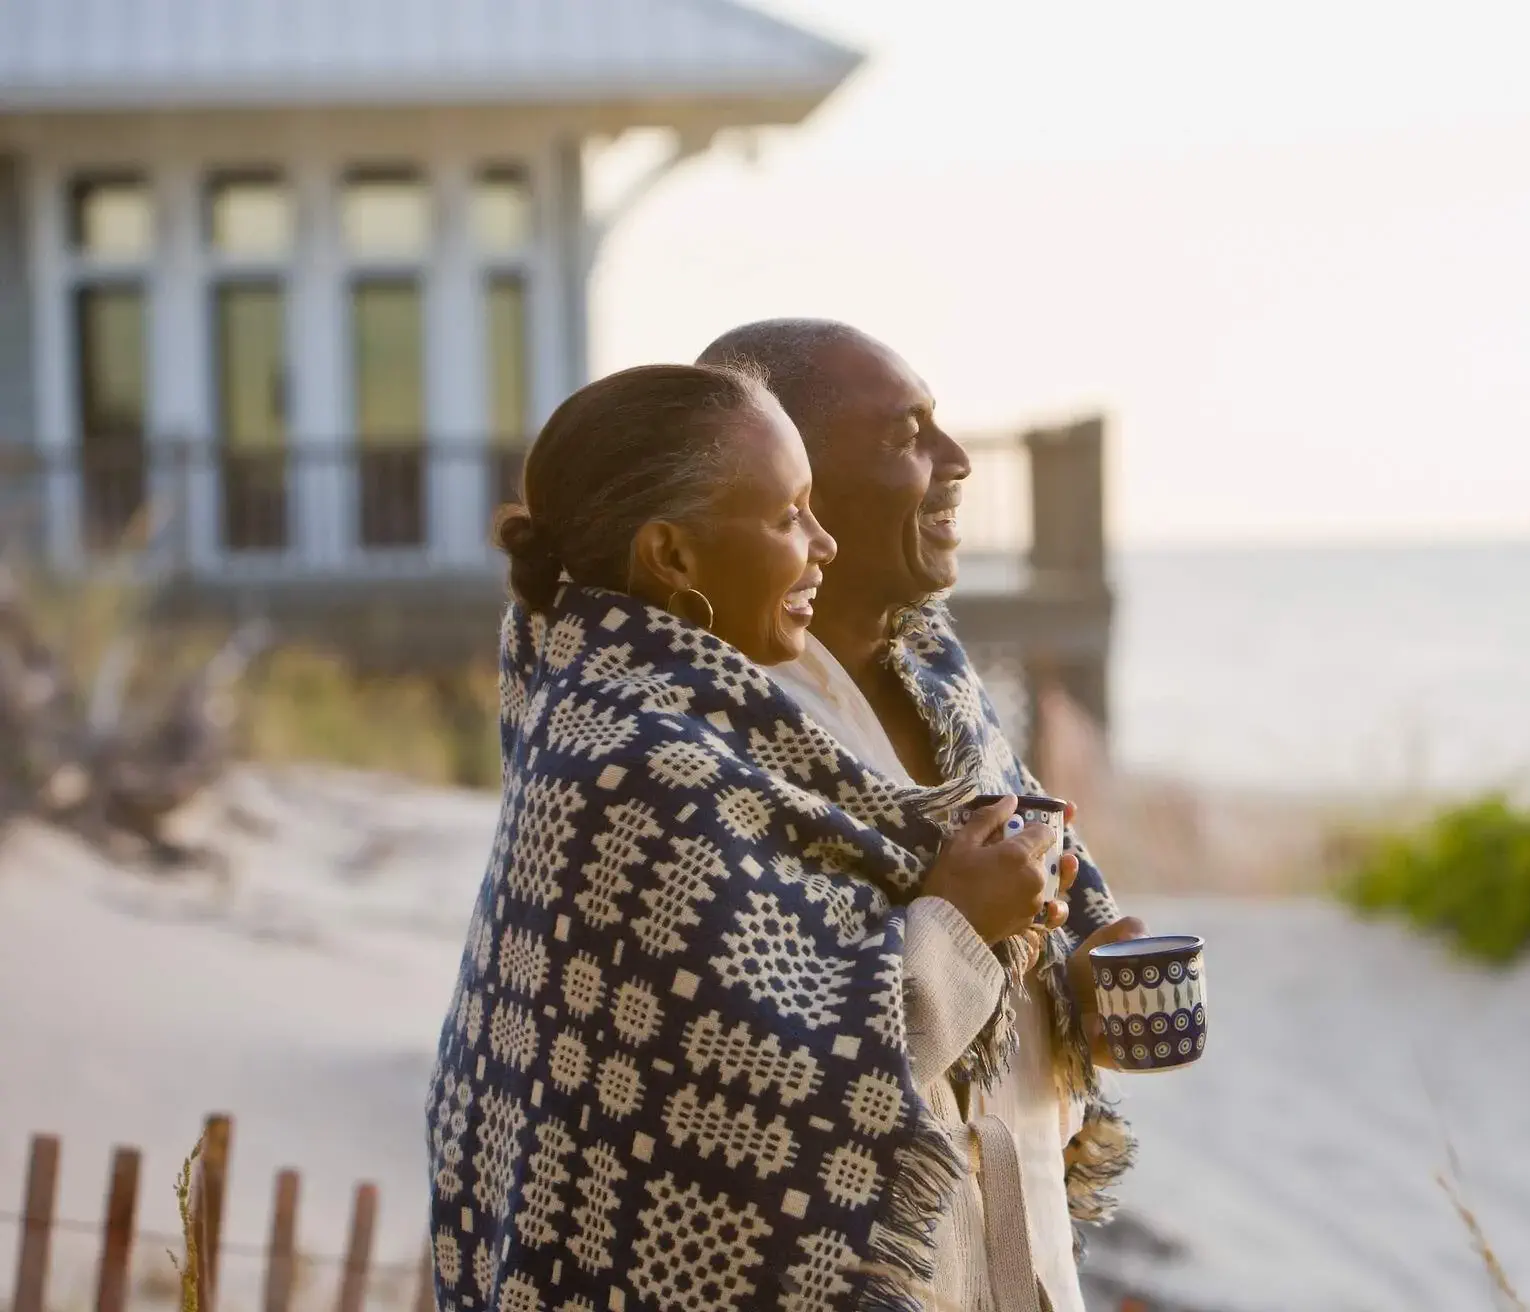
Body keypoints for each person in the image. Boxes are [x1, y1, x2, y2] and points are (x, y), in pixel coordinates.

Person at [427, 363, 1080, 1312]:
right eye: (789, 516)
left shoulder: (700, 729)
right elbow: (775, 1094)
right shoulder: (633, 765)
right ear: (672, 557)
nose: (822, 545)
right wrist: (958, 923)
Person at [697, 322, 1147, 1312]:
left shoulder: (945, 677)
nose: (954, 465)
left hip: (1017, 1257)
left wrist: (1074, 987)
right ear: (783, 477)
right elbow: (741, 1080)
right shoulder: (690, 741)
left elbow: (1021, 930)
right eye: (908, 436)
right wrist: (955, 925)